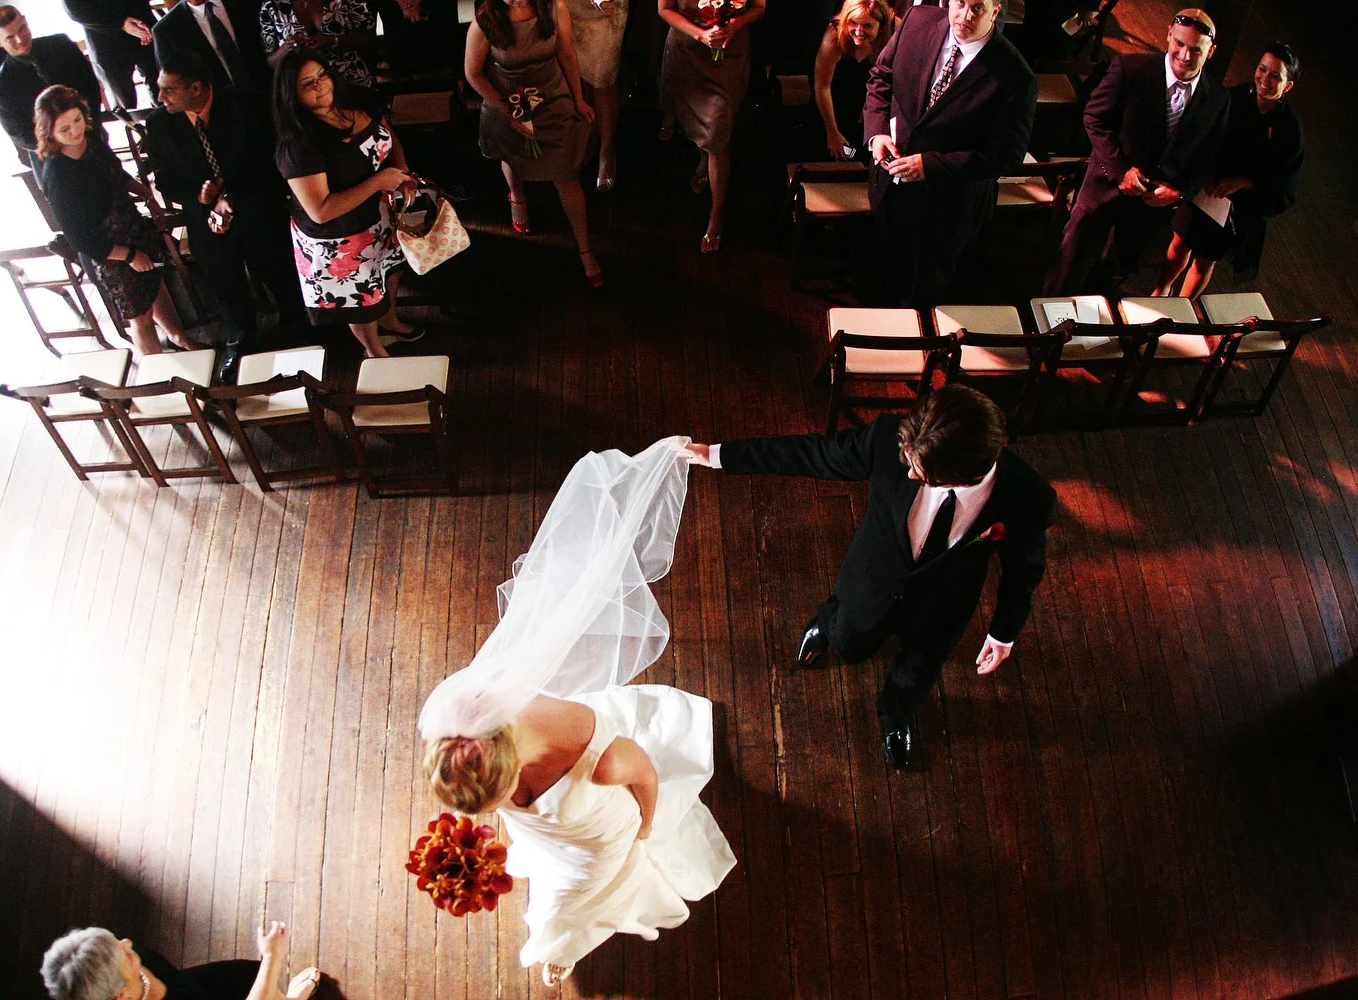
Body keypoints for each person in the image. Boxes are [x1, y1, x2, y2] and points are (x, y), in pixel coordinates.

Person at [418, 437, 736, 988]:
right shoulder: (464, 718)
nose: (500, 814)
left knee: (565, 906)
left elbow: (645, 778)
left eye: (498, 804)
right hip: (559, 835)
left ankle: (559, 944)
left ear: (512, 767)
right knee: (549, 879)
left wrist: (645, 828)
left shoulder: (601, 763)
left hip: (598, 840)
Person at [685, 386, 1055, 770]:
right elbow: (815, 455)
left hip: (944, 604)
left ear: (968, 476)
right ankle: (826, 625)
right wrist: (716, 455)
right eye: (909, 461)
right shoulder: (885, 438)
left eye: (922, 474)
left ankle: (896, 712)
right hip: (870, 580)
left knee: (921, 667)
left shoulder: (1028, 496)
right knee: (850, 639)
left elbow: (1024, 567)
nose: (909, 472)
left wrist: (1003, 632)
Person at [145, 52, 309, 382]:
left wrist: (232, 197)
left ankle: (298, 330)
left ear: (196, 88)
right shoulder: (160, 123)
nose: (160, 97)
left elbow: (273, 161)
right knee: (225, 282)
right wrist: (200, 196)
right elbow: (163, 178)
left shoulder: (248, 106)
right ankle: (241, 340)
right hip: (206, 221)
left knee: (278, 271)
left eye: (169, 90)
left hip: (257, 209)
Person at [1043, 8, 1230, 296]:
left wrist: (1180, 192)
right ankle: (1048, 329)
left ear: (1211, 50)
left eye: (1195, 49)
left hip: (1151, 206)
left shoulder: (1218, 98)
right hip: (1105, 187)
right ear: (1169, 35)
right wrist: (1120, 171)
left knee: (1114, 271)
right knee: (1070, 263)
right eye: (1179, 44)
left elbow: (1211, 155)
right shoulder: (1129, 68)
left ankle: (1092, 329)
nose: (1184, 55)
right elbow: (1094, 118)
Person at [863, 0, 1037, 306]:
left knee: (924, 290)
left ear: (996, 12)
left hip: (946, 207)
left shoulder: (1016, 78)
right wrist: (876, 133)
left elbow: (1007, 154)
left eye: (978, 8)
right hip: (888, 187)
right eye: (960, 3)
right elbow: (882, 77)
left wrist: (930, 165)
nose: (965, 16)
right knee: (882, 270)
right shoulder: (917, 21)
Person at [270, 51, 421, 358]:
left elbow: (389, 137)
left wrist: (401, 173)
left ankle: (390, 318)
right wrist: (379, 182)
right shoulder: (298, 145)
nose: (319, 85)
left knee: (390, 270)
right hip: (340, 237)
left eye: (322, 75)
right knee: (362, 299)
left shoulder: (358, 101)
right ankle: (374, 350)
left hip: (379, 216)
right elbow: (321, 209)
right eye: (307, 84)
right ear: (291, 95)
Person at [36, 86, 196, 356]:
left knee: (155, 281)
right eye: (64, 129)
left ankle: (177, 336)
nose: (75, 132)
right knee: (140, 316)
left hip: (128, 225)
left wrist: (145, 194)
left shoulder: (92, 139)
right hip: (107, 252)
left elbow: (116, 173)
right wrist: (131, 255)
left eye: (77, 120)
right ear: (49, 133)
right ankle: (159, 374)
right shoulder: (58, 177)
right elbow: (80, 240)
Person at [465, 0, 602, 287]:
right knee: (513, 157)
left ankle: (585, 248)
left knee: (566, 175)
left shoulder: (554, 8)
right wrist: (508, 111)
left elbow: (566, 52)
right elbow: (473, 73)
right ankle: (517, 197)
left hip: (552, 96)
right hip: (507, 101)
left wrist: (577, 98)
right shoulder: (485, 21)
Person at [1153, 41, 1304, 298]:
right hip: (1207, 186)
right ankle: (1161, 291)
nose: (1264, 79)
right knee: (1179, 242)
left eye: (1275, 76)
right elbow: (1204, 137)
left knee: (1205, 258)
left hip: (1238, 203)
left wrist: (1244, 182)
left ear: (1287, 86)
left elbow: (1284, 182)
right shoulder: (1232, 97)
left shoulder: (1289, 129)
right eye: (1262, 69)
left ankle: (1182, 305)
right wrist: (1205, 173)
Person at [658, 0, 766, 253]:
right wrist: (700, 34)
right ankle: (702, 161)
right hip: (687, 48)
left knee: (717, 133)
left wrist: (734, 24)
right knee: (696, 126)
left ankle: (716, 218)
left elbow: (759, 9)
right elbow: (664, 9)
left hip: (729, 55)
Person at [39, 922, 320, 1000]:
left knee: (247, 978)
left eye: (116, 940)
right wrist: (272, 956)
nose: (128, 944)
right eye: (123, 953)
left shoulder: (136, 966)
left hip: (197, 990)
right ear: (121, 996)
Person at [0, 6, 104, 166]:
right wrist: (65, 147)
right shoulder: (0, 90)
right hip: (52, 159)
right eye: (10, 37)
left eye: (22, 29)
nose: (20, 39)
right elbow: (21, 135)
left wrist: (84, 131)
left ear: (26, 21)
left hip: (90, 134)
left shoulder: (61, 45)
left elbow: (91, 89)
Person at [813, 0, 895, 162]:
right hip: (833, 105)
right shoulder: (834, 35)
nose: (859, 31)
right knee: (839, 154)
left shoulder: (895, 30)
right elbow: (822, 87)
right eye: (853, 23)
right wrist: (832, 133)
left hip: (872, 104)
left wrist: (873, 110)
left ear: (881, 25)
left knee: (867, 157)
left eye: (868, 26)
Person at [564, 0, 629, 192]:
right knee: (567, 69)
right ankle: (582, 137)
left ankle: (606, 152)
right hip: (562, 5)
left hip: (601, 13)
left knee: (602, 79)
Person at [259, 0, 379, 91]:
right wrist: (286, 49)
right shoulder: (272, 6)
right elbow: (270, 62)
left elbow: (371, 36)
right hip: (306, 90)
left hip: (351, 80)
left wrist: (333, 41)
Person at [153, 0, 270, 93]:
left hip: (270, 93)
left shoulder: (248, 3)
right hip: (220, 111)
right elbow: (172, 86)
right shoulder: (166, 30)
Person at [63, 0, 161, 109]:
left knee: (163, 91)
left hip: (144, 27)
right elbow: (74, 8)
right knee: (124, 106)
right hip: (105, 43)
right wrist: (120, 22)